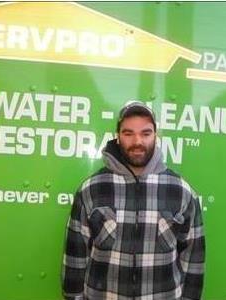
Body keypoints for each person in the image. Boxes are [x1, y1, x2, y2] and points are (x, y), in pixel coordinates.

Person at [62, 101, 205, 300]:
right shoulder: (91, 189)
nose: (137, 141)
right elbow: (75, 256)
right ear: (118, 137)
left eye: (146, 133)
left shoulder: (181, 191)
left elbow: (193, 260)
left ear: (156, 136)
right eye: (128, 133)